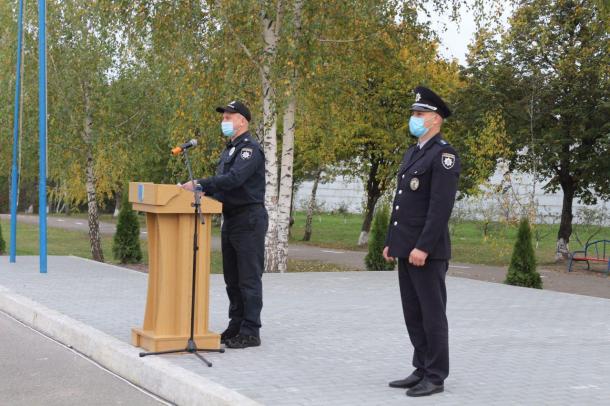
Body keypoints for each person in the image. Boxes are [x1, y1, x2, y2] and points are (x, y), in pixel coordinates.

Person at [384, 86, 460, 397]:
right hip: (407, 247)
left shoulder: (443, 155)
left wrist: (423, 247)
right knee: (413, 313)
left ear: (436, 119)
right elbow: (402, 202)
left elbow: (440, 207)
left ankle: (436, 375)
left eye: (420, 114)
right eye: (413, 113)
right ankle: (421, 367)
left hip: (427, 251)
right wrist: (393, 241)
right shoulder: (414, 152)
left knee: (431, 314)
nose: (414, 118)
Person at [181, 100, 268, 349]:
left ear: (243, 121)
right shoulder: (229, 149)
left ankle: (251, 330)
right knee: (232, 278)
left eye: (229, 117)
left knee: (248, 278)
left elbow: (234, 179)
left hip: (249, 219)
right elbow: (224, 186)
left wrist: (201, 184)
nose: (224, 122)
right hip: (230, 218)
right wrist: (200, 196)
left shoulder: (249, 150)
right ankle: (236, 324)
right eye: (223, 118)